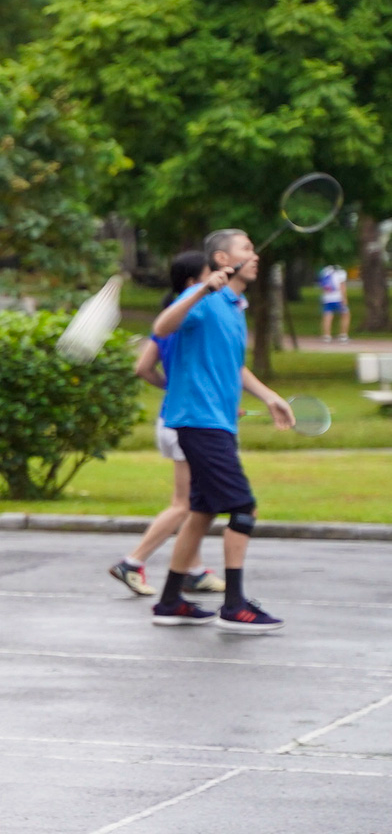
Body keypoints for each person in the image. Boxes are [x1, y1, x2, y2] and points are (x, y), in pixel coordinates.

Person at [149, 228, 294, 633]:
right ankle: (234, 605)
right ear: (222, 259)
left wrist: (269, 396)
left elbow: (235, 364)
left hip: (217, 420)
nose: (256, 255)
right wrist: (200, 290)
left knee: (202, 511)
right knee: (244, 508)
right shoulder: (205, 300)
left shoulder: (234, 305)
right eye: (247, 248)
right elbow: (162, 327)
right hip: (198, 420)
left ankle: (170, 600)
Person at [108, 251, 224, 598]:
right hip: (186, 422)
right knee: (184, 504)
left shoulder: (170, 320)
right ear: (193, 283)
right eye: (209, 273)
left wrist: (170, 386)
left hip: (172, 417)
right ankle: (132, 562)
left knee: (197, 501)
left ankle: (194, 570)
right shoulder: (195, 321)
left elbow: (143, 368)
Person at [319, 265, 351, 343]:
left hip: (327, 298)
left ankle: (327, 336)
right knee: (345, 315)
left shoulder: (325, 271)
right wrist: (344, 298)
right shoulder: (341, 272)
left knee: (327, 316)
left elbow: (323, 285)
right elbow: (342, 286)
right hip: (338, 298)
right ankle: (343, 335)